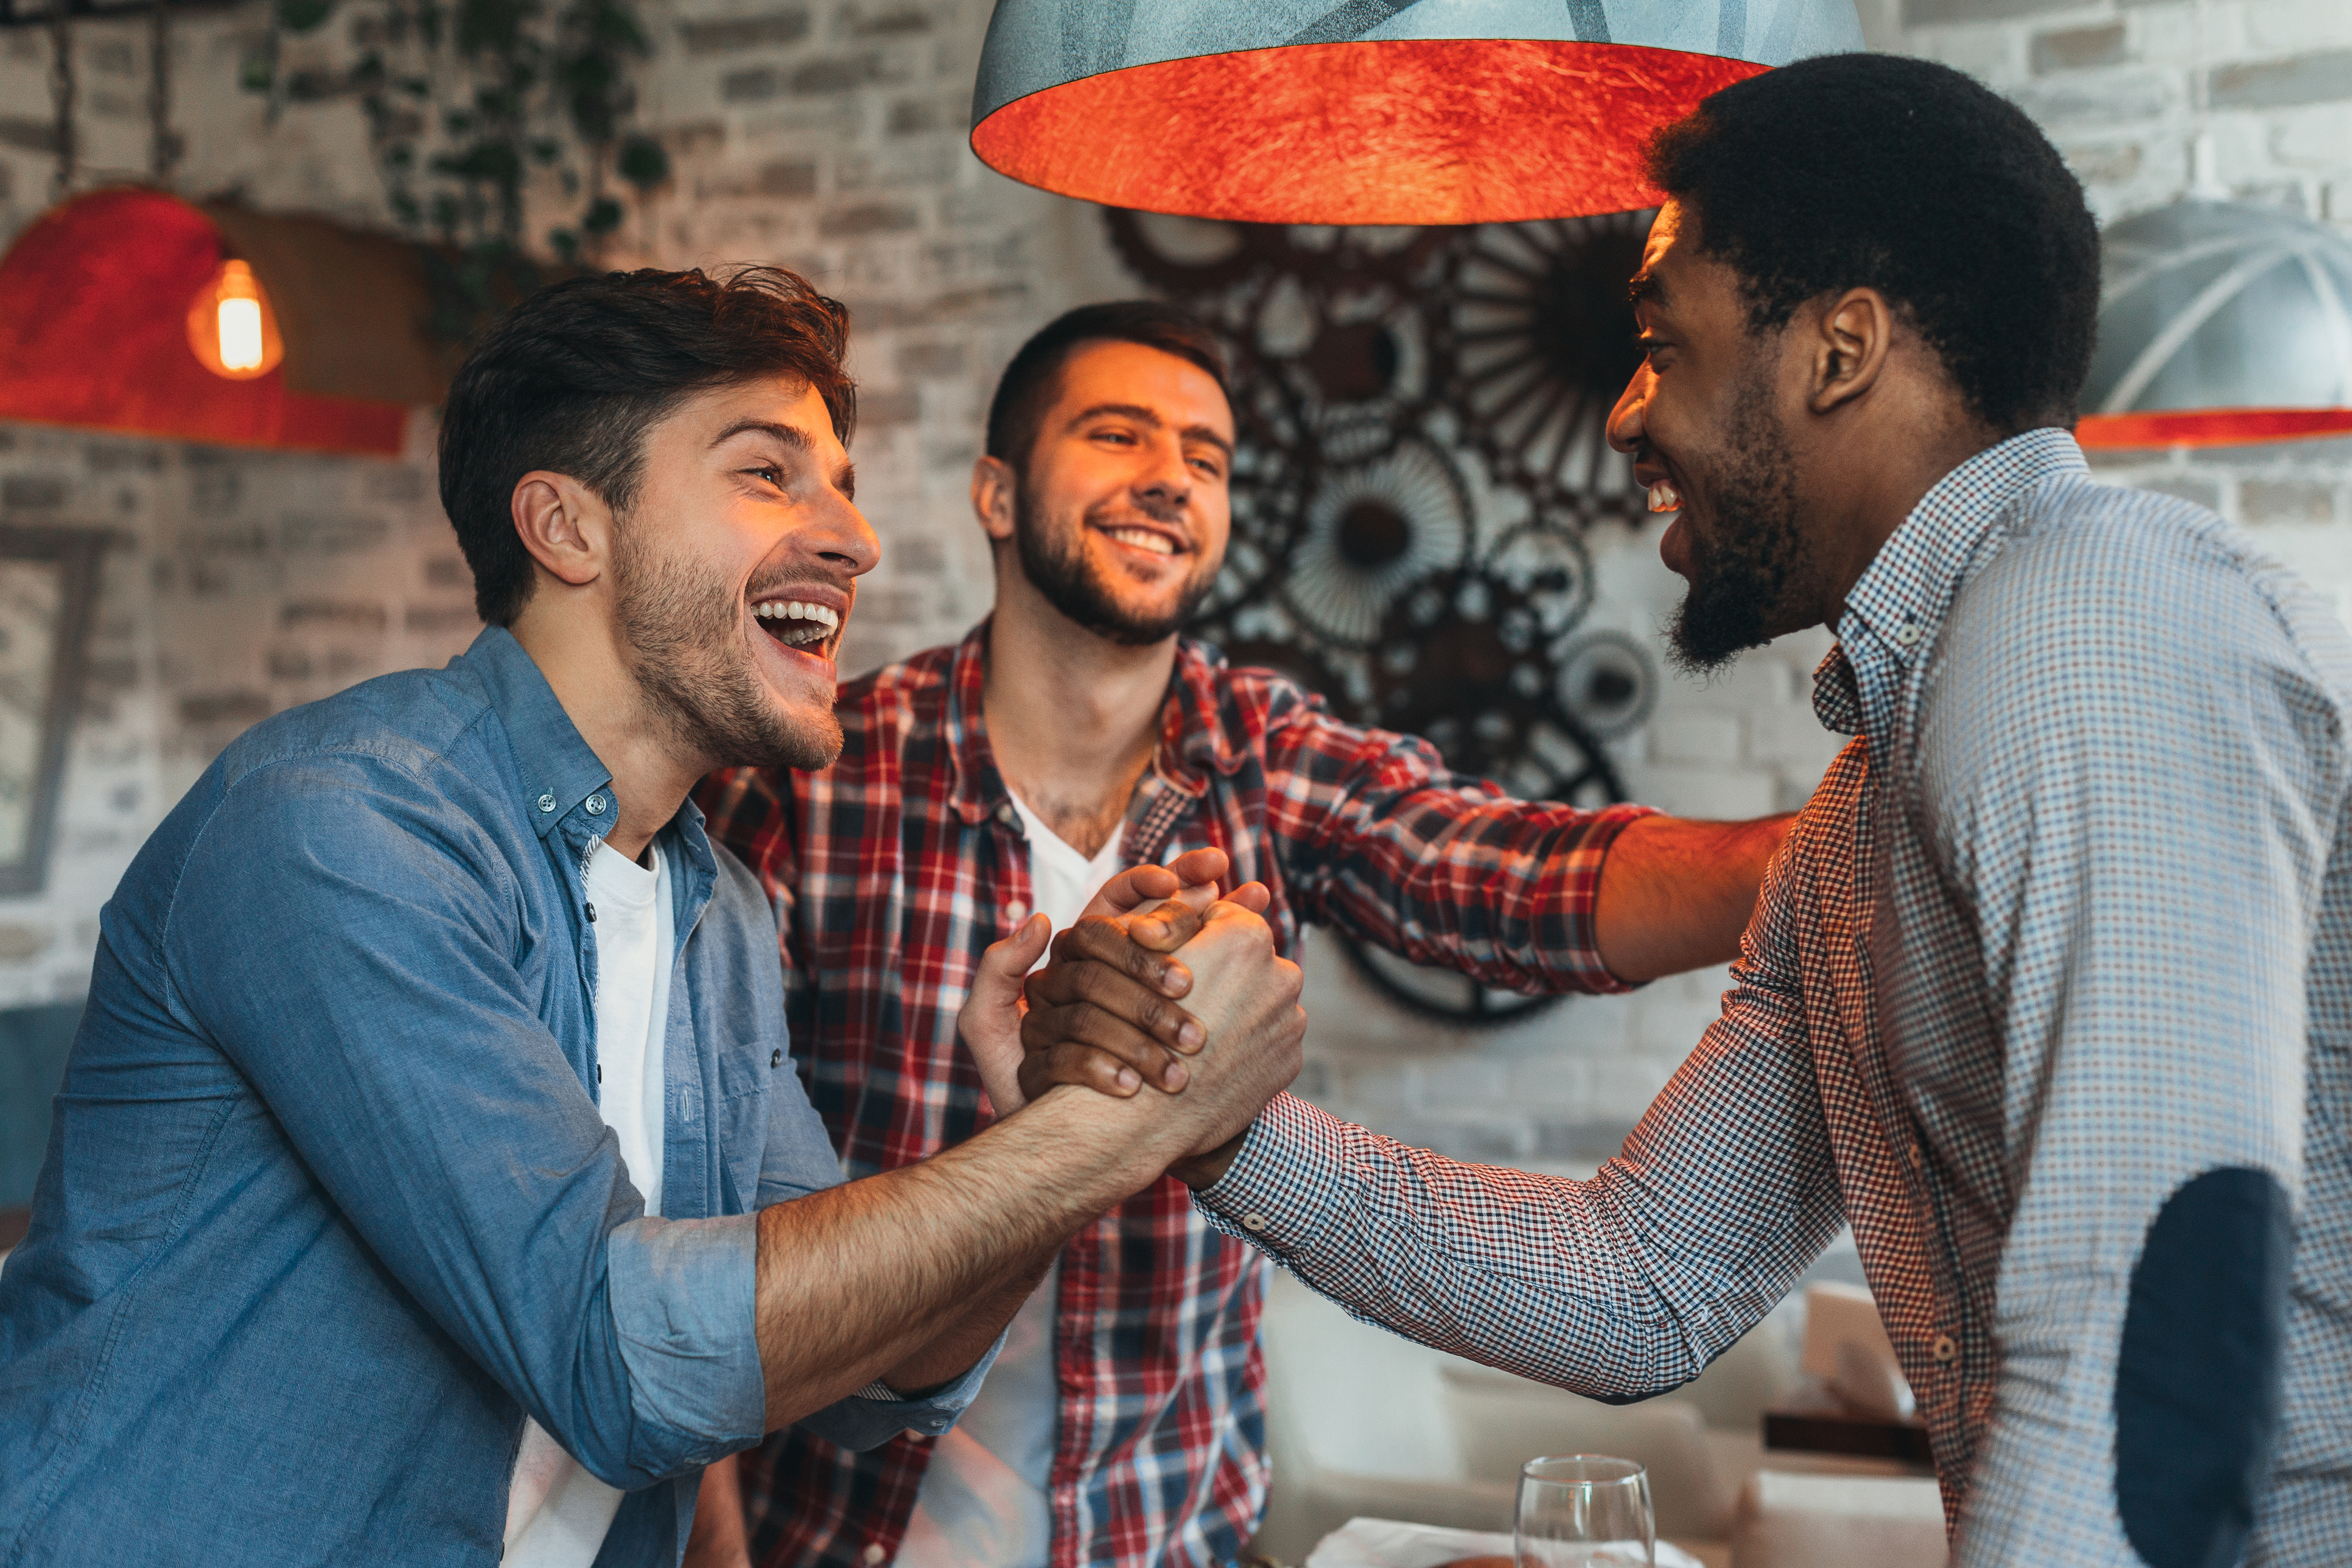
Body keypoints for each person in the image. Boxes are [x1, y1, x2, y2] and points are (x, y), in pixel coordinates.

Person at [1050, 52, 2352, 1568]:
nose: (1624, 413)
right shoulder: (1871, 800)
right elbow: (1644, 1276)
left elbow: (2150, 1331)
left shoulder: (2083, 618)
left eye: (1664, 344)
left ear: (1841, 350)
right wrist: (1222, 1131)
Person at [0, 266, 1308, 1568]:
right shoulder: (343, 829)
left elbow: (861, 1376)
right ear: (570, 529)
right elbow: (614, 1352)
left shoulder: (715, 910)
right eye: (767, 473)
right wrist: (1117, 1127)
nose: (853, 536)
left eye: (841, 481)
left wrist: (1041, 1127)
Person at [693, 301, 1793, 1568]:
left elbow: (1517, 880)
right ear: (998, 492)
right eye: (1119, 435)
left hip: (1166, 1537)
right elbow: (705, 1202)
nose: (1171, 479)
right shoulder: (820, 777)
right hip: (835, 1538)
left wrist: (1810, 853)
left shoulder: (1264, 751)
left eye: (1207, 461)